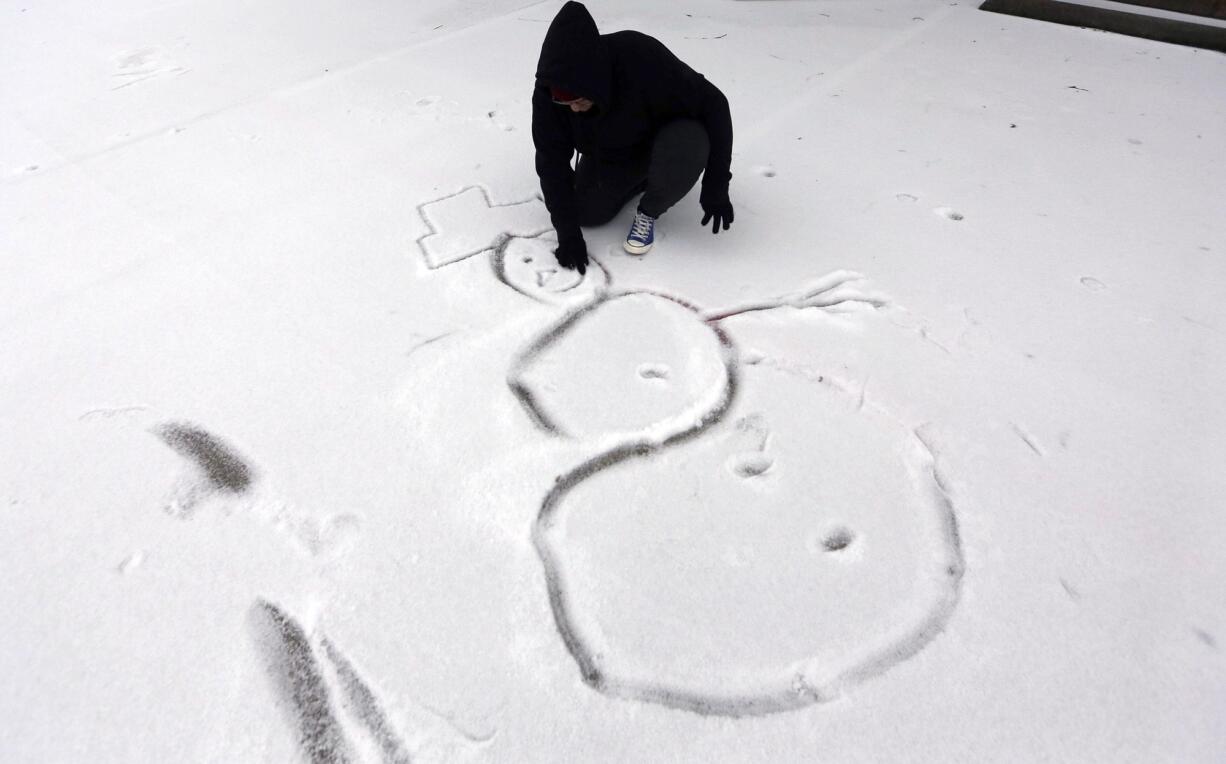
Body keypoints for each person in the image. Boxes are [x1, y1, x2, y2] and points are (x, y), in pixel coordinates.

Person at [532, 1, 735, 275]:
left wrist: (716, 182)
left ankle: (650, 208)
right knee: (586, 214)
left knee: (690, 141)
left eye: (579, 100)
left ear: (593, 81)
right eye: (564, 102)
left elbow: (715, 103)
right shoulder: (549, 93)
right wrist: (568, 235)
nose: (574, 108)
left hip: (667, 141)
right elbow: (551, 161)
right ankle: (644, 178)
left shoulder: (640, 56)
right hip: (612, 153)